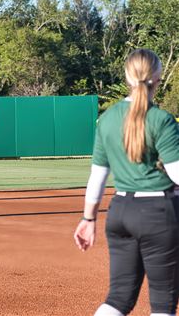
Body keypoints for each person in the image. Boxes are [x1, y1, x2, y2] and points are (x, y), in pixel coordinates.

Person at [73, 49, 179, 316]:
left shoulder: (107, 118)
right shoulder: (161, 119)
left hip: (120, 212)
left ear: (127, 77)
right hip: (159, 214)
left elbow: (97, 176)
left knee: (118, 298)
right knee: (163, 303)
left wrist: (88, 220)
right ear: (158, 76)